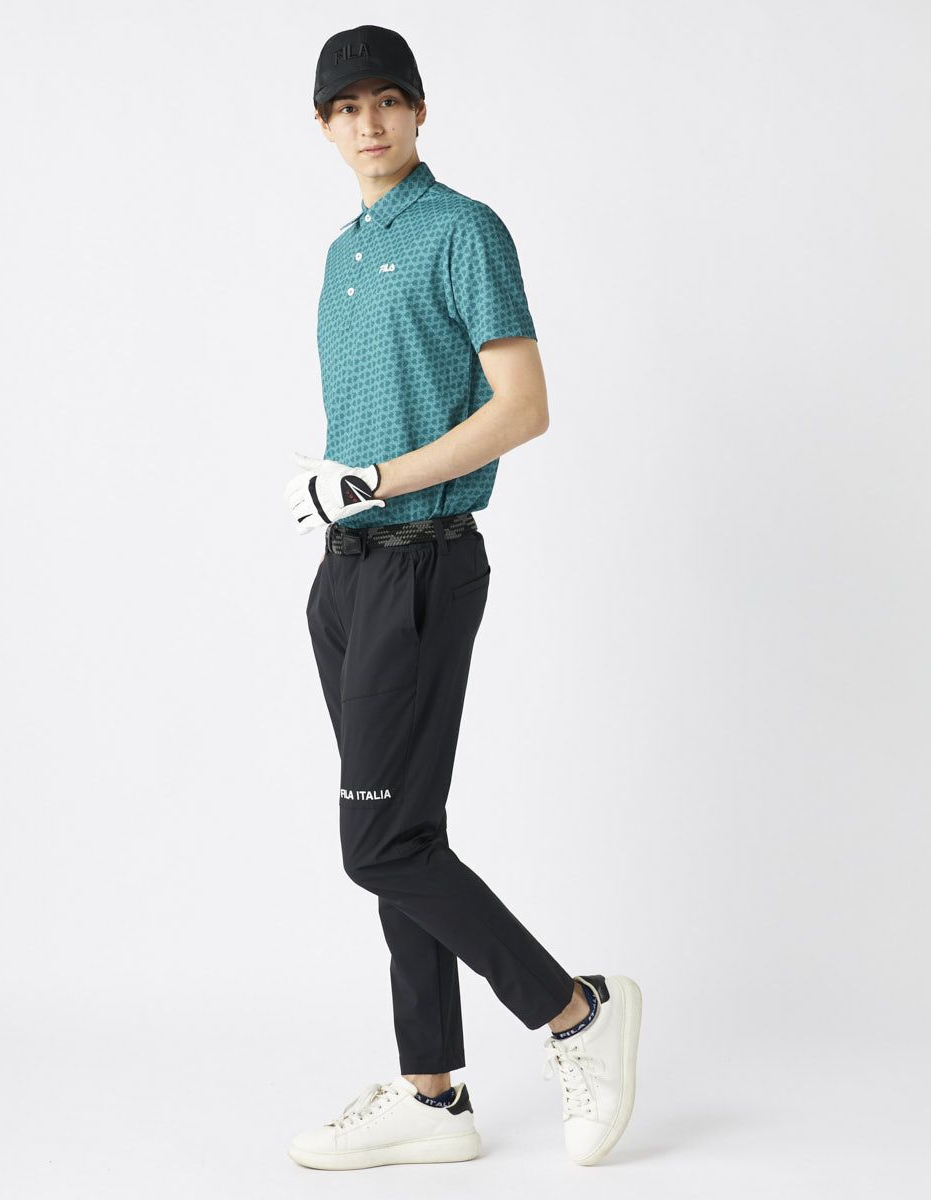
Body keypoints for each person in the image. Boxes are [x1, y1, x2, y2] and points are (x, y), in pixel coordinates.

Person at [282, 24, 642, 1171]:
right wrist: (340, 493)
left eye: (388, 99)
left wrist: (373, 482)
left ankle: (574, 1010)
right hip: (347, 574)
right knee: (405, 831)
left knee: (376, 844)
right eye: (347, 106)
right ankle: (432, 1096)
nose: (369, 122)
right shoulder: (341, 254)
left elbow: (522, 406)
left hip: (424, 562)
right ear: (324, 125)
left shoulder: (463, 230)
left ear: (419, 110)